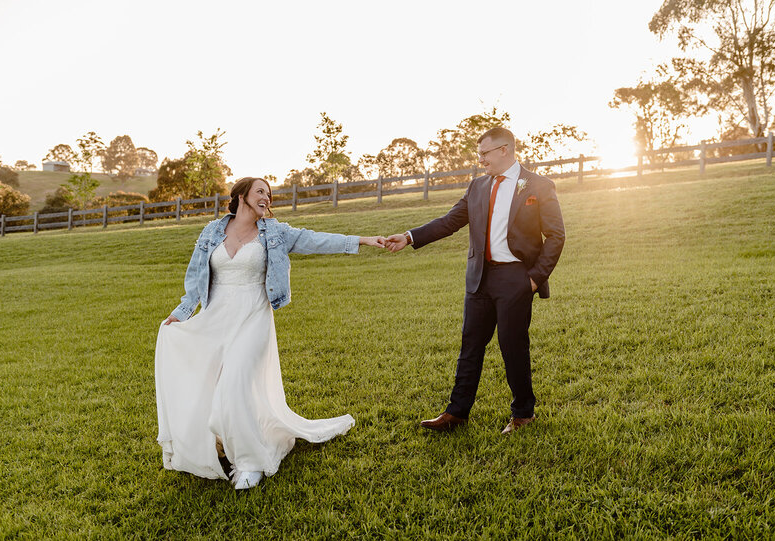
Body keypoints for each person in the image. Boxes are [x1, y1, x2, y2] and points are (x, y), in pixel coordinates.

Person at [155, 177, 386, 490]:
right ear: (240, 196)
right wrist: (181, 313)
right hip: (217, 316)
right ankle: (223, 440)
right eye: (260, 191)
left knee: (235, 382)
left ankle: (250, 462)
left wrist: (362, 240)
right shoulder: (212, 231)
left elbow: (315, 240)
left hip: (254, 316)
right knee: (216, 386)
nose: (267, 197)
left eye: (269, 194)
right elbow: (197, 276)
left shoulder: (275, 232)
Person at [385, 127, 565, 434]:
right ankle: (456, 412)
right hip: (480, 278)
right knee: (470, 345)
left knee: (513, 346)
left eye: (484, 153)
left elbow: (556, 236)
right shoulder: (478, 187)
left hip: (516, 278)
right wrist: (409, 237)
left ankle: (524, 413)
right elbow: (450, 221)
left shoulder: (539, 185)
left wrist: (534, 279)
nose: (481, 160)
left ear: (505, 150)